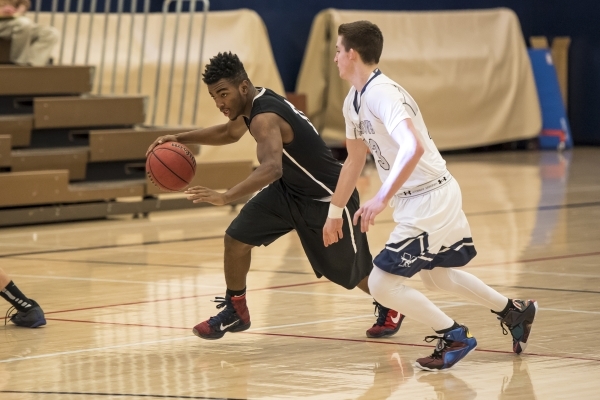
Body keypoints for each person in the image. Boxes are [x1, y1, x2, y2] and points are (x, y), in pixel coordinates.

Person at [323, 20, 537, 371]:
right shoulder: (354, 101)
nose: (334, 58)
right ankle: (514, 310)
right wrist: (334, 213)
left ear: (353, 54)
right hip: (420, 197)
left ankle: (454, 335)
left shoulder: (383, 94)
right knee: (438, 276)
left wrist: (380, 198)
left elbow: (413, 147)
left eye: (337, 50)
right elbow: (355, 160)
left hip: (430, 198)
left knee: (381, 283)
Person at [146, 52, 404, 340]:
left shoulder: (264, 118)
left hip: (327, 198)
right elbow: (229, 134)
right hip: (289, 192)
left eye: (223, 94)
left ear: (243, 87)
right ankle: (236, 310)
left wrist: (225, 196)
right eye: (214, 96)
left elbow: (271, 168)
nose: (219, 103)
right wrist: (179, 138)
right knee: (236, 239)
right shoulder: (252, 103)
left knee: (352, 274)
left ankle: (393, 304)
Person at [0, 0, 59, 66]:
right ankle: (19, 63)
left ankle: (32, 66)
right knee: (24, 23)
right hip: (7, 22)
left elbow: (24, 3)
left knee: (50, 33)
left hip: (15, 20)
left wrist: (18, 12)